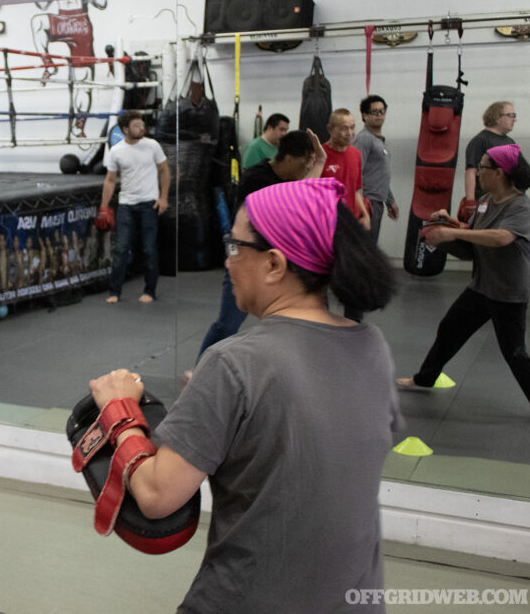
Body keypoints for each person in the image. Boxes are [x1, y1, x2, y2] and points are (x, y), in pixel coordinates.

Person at [89, 178, 400, 612]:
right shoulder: (374, 349)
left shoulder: (234, 364)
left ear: (274, 264)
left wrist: (118, 409)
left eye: (235, 247)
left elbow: (157, 498)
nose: (227, 259)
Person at [398, 144, 530, 415]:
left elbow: (501, 237)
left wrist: (455, 235)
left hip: (509, 292)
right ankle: (425, 378)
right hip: (481, 287)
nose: (477, 173)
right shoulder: (486, 201)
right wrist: (449, 223)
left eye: (482, 168)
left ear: (499, 172)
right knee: (449, 330)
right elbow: (473, 232)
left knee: (514, 353)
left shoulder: (521, 206)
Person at [197, 129, 325, 356]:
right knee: (228, 324)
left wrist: (319, 162)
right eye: (304, 164)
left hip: (273, 263)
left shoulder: (285, 179)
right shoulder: (257, 179)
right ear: (289, 159)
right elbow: (297, 202)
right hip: (245, 259)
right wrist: (318, 166)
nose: (306, 171)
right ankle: (202, 371)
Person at [99, 110, 169, 303]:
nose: (141, 128)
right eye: (136, 126)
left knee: (149, 249)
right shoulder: (116, 151)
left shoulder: (152, 146)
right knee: (121, 249)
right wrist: (104, 206)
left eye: (142, 125)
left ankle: (150, 291)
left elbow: (164, 170)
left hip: (149, 203)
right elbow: (110, 180)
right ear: (125, 130)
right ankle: (114, 292)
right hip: (126, 205)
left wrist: (163, 198)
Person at [353, 95, 399, 243]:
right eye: (374, 112)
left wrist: (390, 201)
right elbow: (356, 172)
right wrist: (360, 206)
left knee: (370, 246)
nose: (379, 115)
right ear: (365, 116)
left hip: (377, 201)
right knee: (365, 248)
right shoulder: (364, 139)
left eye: (382, 111)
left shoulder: (379, 141)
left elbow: (381, 175)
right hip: (367, 202)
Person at [462, 101, 517, 216]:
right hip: (484, 201)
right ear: (497, 118)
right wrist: (470, 201)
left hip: (505, 202)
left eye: (514, 116)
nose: (514, 119)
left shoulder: (510, 142)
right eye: (511, 115)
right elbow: (471, 171)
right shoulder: (480, 141)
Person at [322, 109, 371, 231]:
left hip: (351, 222)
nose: (349, 133)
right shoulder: (320, 156)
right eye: (344, 128)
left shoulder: (356, 154)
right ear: (330, 129)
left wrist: (365, 215)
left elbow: (355, 191)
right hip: (327, 223)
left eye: (352, 127)